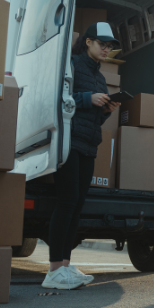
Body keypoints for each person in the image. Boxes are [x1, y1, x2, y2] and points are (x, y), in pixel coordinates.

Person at [42, 22, 121, 290]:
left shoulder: (100, 78)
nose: (106, 49)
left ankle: (65, 265)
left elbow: (95, 119)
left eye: (109, 46)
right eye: (102, 44)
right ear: (88, 42)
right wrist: (88, 99)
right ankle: (54, 271)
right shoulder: (72, 65)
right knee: (66, 202)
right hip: (68, 142)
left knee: (77, 205)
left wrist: (106, 109)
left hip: (89, 145)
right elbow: (56, 99)